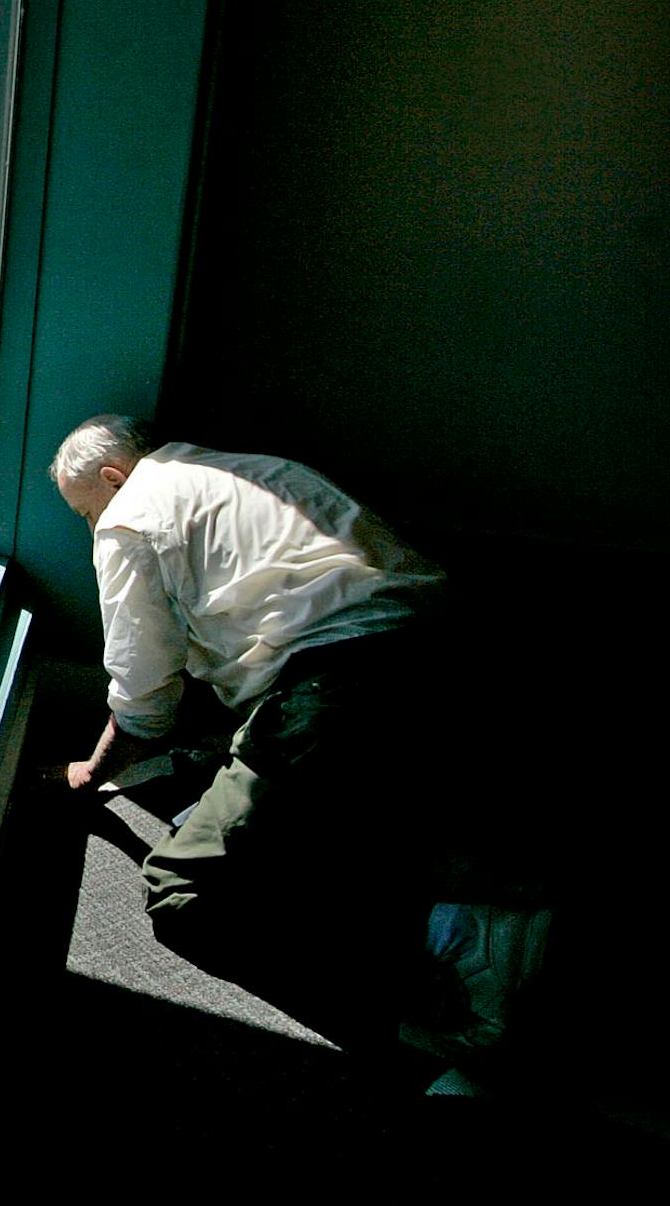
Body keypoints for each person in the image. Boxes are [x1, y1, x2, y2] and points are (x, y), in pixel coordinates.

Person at [49, 414, 453, 1037]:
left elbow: (144, 691)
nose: (90, 527)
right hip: (436, 655)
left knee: (183, 891)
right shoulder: (260, 471)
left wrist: (90, 771)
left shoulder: (129, 517)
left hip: (335, 690)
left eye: (84, 512)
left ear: (112, 477)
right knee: (332, 827)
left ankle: (424, 1000)